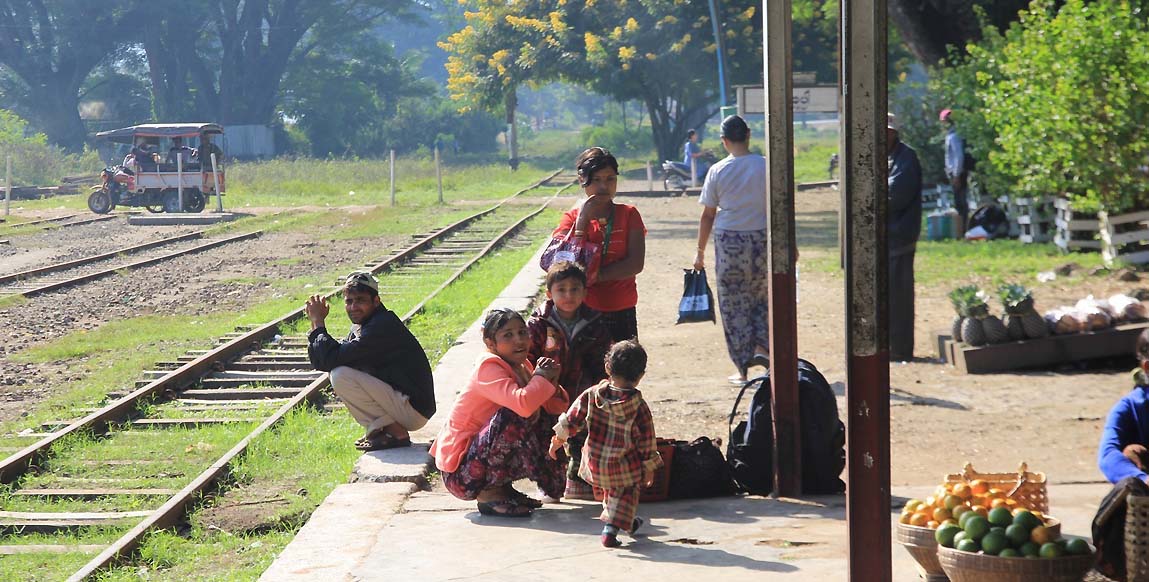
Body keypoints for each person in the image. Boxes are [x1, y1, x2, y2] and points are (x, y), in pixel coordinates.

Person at [430, 308, 569, 517]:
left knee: (542, 418)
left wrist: (551, 380)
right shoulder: (488, 367)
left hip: (479, 463)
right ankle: (489, 494)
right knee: (514, 413)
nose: (519, 340)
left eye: (522, 332)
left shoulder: (523, 366)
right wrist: (540, 378)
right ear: (490, 343)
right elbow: (522, 404)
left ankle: (504, 489)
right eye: (508, 335)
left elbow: (555, 408)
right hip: (462, 474)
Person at [549, 339, 662, 548]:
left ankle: (629, 523)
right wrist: (649, 468)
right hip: (624, 465)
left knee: (612, 494)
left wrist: (558, 441)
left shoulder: (592, 395)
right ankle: (610, 530)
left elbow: (571, 421)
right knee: (626, 493)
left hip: (596, 462)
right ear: (640, 377)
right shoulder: (639, 407)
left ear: (607, 367)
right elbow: (647, 441)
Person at [306, 272, 436, 451]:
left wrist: (319, 323)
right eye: (349, 301)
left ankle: (395, 432)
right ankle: (386, 429)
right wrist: (315, 327)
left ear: (376, 301)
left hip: (413, 410)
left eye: (360, 300)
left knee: (340, 375)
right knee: (338, 371)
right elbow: (322, 361)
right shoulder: (363, 326)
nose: (353, 307)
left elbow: (331, 360)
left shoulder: (382, 326)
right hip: (405, 404)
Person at [694, 115, 771, 385]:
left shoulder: (717, 171)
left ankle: (742, 368)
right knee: (762, 299)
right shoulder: (766, 166)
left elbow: (708, 215)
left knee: (733, 305)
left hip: (730, 244)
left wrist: (700, 252)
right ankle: (764, 353)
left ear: (724, 141)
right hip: (762, 241)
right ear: (748, 135)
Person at [527, 261, 613, 500]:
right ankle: (549, 482)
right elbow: (528, 359)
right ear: (549, 293)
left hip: (582, 393)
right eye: (561, 289)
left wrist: (600, 389)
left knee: (581, 433)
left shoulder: (595, 323)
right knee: (547, 437)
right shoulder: (538, 325)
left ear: (585, 292)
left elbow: (603, 361)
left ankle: (577, 477)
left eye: (575, 289)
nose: (568, 295)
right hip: (547, 394)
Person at [555, 147, 646, 342]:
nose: (604, 186)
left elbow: (635, 264)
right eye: (596, 180)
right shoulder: (570, 220)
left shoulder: (629, 214)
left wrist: (594, 276)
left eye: (610, 179)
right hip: (581, 311)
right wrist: (582, 222)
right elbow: (562, 264)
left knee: (625, 369)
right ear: (582, 180)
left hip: (622, 309)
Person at [887, 113, 923, 362]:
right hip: (887, 238)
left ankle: (900, 348)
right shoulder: (888, 157)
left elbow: (895, 195)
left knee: (899, 297)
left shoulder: (906, 158)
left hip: (899, 237)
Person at [1099, 328, 1149, 485]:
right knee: (1131, 453)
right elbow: (1108, 456)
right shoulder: (1130, 408)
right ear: (1147, 368)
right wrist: (1143, 479)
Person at [941, 108, 969, 233]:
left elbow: (958, 156)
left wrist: (956, 175)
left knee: (960, 201)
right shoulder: (951, 135)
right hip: (954, 173)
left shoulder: (954, 136)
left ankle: (963, 228)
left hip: (957, 173)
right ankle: (962, 228)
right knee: (958, 201)